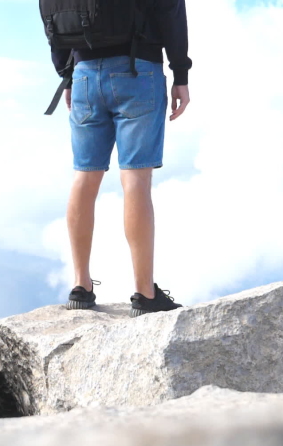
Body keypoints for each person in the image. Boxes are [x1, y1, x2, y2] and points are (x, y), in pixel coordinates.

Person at [50, 0, 192, 317]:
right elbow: (170, 11)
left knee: (84, 177)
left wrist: (67, 75)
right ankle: (144, 294)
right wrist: (180, 73)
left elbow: (55, 15)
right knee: (135, 180)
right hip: (137, 70)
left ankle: (81, 286)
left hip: (84, 74)